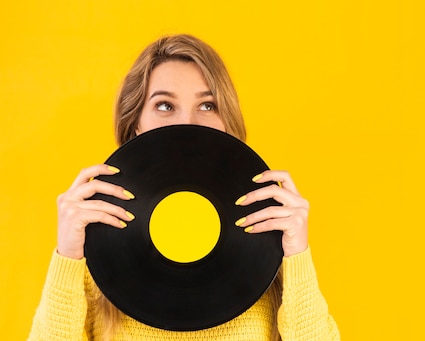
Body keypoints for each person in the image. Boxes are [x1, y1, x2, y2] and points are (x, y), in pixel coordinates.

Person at [28, 34, 340, 341]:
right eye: (165, 106)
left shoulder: (267, 238)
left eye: (207, 106)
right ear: (135, 121)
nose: (187, 122)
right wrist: (68, 256)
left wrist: (297, 255)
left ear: (226, 120)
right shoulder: (94, 248)